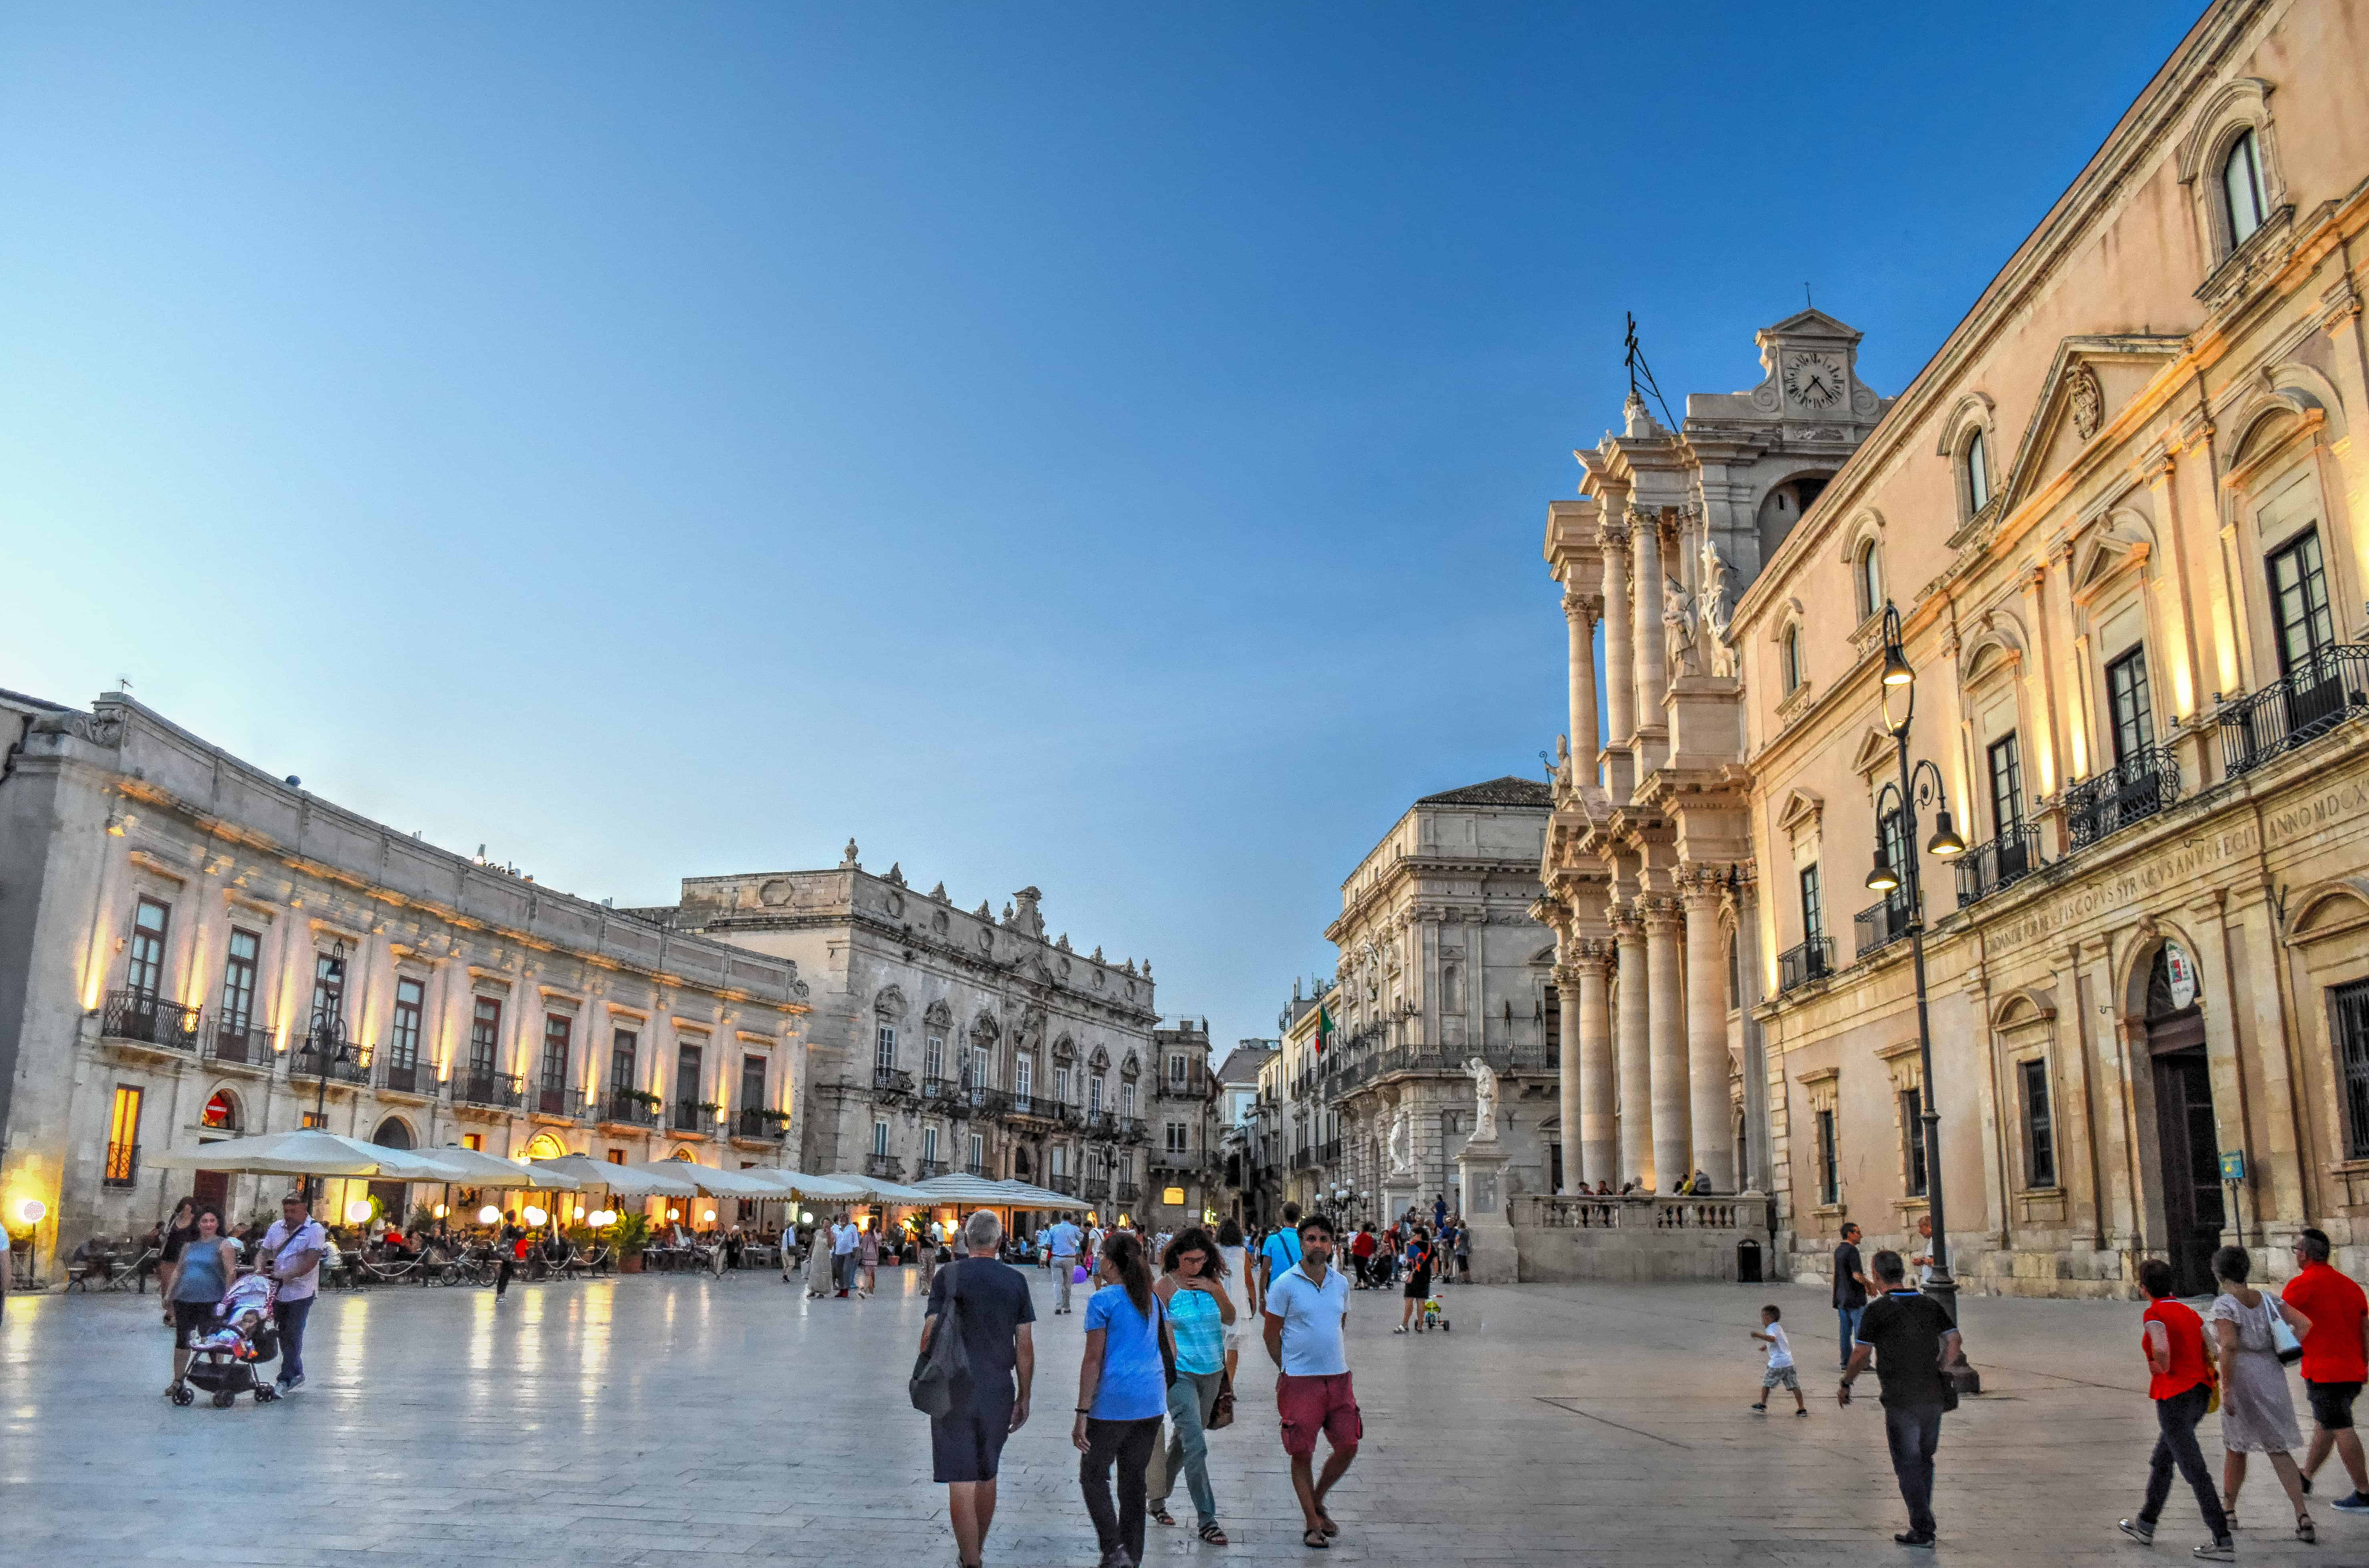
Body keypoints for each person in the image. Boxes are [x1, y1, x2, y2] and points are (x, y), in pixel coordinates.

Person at [921, 1210, 1035, 1568]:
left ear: (965, 1241)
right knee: (987, 1474)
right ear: (1000, 1242)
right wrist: (1025, 1395)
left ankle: (971, 1561)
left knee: (961, 1481)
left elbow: (929, 1335)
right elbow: (1025, 1347)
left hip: (952, 1389)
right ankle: (976, 1550)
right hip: (997, 1390)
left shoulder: (947, 1277)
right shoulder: (1016, 1281)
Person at [1840, 1249, 1961, 1548]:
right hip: (1933, 1395)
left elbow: (1861, 1353)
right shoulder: (1928, 1304)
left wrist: (1847, 1382)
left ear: (1876, 1275)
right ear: (1903, 1272)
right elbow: (1954, 1339)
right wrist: (1943, 1367)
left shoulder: (1877, 1311)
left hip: (1900, 1397)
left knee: (1907, 1462)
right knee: (1924, 1460)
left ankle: (1923, 1529)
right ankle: (1922, 1520)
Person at [2117, 1256, 2233, 1560]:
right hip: (2199, 1394)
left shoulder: (2155, 1315)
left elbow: (2162, 1351)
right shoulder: (2189, 1313)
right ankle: (2146, 1523)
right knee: (2162, 1459)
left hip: (2174, 1397)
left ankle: (2222, 1538)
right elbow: (2215, 1350)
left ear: (2144, 1289)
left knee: (2194, 1468)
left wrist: (2158, 1365)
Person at [1075, 1231, 1171, 1568]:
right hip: (1151, 1401)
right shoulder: (1151, 1299)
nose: (1098, 1260)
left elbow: (1093, 1360)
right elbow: (1167, 1349)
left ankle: (1113, 1548)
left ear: (1112, 1263)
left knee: (1093, 1474)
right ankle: (1132, 1556)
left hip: (1113, 1401)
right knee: (1134, 1481)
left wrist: (1082, 1412)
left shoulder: (1102, 1301)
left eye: (1102, 1255)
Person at [2209, 1244, 2315, 1542]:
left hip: (2242, 1377)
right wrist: (2281, 1349)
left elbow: (2228, 1346)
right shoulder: (2268, 1300)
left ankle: (2229, 1509)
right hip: (2271, 1374)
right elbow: (2305, 1324)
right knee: (2278, 1448)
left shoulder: (2225, 1306)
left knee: (2236, 1446)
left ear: (2219, 1273)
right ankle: (2302, 1513)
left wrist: (2227, 1389)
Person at [1265, 1213, 1358, 1548]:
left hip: (1338, 1378)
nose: (1317, 1245)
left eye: (1323, 1239)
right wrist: (1286, 1367)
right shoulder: (1285, 1285)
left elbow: (1339, 1324)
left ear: (1332, 1244)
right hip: (1300, 1381)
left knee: (1349, 1445)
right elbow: (1271, 1334)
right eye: (1311, 1239)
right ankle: (1311, 1523)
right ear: (1301, 1243)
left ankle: (1318, 1500)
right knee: (1302, 1451)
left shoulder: (1341, 1283)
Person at [1147, 1228, 1234, 1543]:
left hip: (1212, 1371)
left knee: (1185, 1444)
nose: (1195, 1266)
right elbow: (1154, 1332)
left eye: (1201, 1260)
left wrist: (1216, 1290)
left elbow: (1230, 1317)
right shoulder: (1164, 1288)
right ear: (1176, 1258)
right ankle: (1208, 1520)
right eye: (1189, 1260)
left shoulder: (1213, 1283)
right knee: (1197, 1445)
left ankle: (1156, 1499)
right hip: (1179, 1374)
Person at [2282, 1228, 2369, 1512]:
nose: (2295, 1254)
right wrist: (2364, 1363)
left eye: (2296, 1249)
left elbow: (2280, 1324)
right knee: (2327, 1422)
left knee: (2340, 1425)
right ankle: (2305, 1476)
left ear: (2305, 1255)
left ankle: (2364, 1492)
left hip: (2325, 1371)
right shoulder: (2350, 1286)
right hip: (2352, 1369)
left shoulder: (2301, 1286)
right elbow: (2365, 1329)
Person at [164, 1205, 237, 1401]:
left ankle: (218, 1379)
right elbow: (179, 1271)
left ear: (218, 1224)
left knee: (212, 1339)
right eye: (205, 1221)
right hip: (185, 1298)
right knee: (183, 1339)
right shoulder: (189, 1246)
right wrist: (169, 1295)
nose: (208, 1225)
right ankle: (178, 1380)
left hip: (212, 1299)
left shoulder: (224, 1245)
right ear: (198, 1224)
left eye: (212, 1221)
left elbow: (231, 1272)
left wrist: (226, 1299)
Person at [257, 1191, 328, 1395]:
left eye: (293, 1210)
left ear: (304, 1209)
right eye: (286, 1210)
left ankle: (285, 1378)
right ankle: (297, 1372)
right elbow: (266, 1252)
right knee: (282, 1333)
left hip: (302, 1292)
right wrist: (262, 1268)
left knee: (293, 1333)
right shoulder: (276, 1228)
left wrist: (285, 1275)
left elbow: (310, 1261)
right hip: (277, 1292)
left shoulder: (315, 1230)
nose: (288, 1215)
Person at [1749, 1303, 1804, 1416]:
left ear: (1768, 1318)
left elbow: (1773, 1339)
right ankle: (1802, 1408)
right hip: (1789, 1363)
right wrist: (1766, 1346)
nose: (1762, 1321)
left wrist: (1758, 1336)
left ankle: (1763, 1404)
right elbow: (1779, 1341)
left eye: (1763, 1317)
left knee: (1766, 1383)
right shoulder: (1778, 1327)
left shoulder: (1771, 1328)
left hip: (1777, 1364)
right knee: (1794, 1386)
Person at [1214, 1217, 1249, 1381]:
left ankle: (1218, 1382)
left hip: (1217, 1301)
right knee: (1233, 1347)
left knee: (1218, 1344)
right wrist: (1254, 1301)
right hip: (1238, 1302)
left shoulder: (1213, 1252)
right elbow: (1249, 1280)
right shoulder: (1243, 1253)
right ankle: (1230, 1384)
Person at [1832, 1222, 1872, 1370]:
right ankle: (1862, 1363)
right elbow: (1856, 1275)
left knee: (1845, 1333)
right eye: (1858, 1232)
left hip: (1842, 1298)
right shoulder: (1852, 1251)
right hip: (1855, 1298)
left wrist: (1835, 1295)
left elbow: (1837, 1275)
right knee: (1861, 1332)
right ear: (1850, 1234)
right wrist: (1869, 1284)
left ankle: (1846, 1363)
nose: (1861, 1235)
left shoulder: (1839, 1250)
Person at [156, 1196, 197, 1329]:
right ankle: (170, 1311)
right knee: (166, 1287)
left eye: (189, 1206)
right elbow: (165, 1236)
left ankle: (176, 1315)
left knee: (178, 1288)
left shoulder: (195, 1223)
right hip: (168, 1257)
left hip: (184, 1260)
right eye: (185, 1206)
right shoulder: (174, 1220)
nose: (187, 1209)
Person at [1395, 1227, 1433, 1334]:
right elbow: (1433, 1260)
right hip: (1425, 1275)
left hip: (1413, 1274)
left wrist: (1408, 1245)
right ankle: (1420, 1326)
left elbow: (1408, 1257)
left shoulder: (1412, 1245)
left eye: (1415, 1234)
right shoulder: (1429, 1245)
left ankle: (1405, 1324)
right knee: (1421, 1301)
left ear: (1419, 1235)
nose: (1413, 1236)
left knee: (1409, 1299)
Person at [1046, 1213, 1084, 1315]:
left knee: (1057, 1283)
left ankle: (1058, 1306)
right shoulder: (1074, 1228)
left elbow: (1048, 1244)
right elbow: (1081, 1238)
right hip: (1070, 1259)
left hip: (1056, 1258)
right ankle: (1067, 1307)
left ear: (1062, 1218)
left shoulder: (1054, 1228)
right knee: (1068, 1284)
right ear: (1071, 1219)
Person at [831, 1212, 859, 1298]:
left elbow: (856, 1240)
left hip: (849, 1252)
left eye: (844, 1218)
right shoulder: (836, 1228)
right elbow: (833, 1239)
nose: (842, 1219)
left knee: (846, 1271)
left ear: (847, 1219)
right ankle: (841, 1290)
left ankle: (846, 1290)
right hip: (838, 1253)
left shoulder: (852, 1228)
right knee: (839, 1272)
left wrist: (855, 1250)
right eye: (840, 1218)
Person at [1348, 1224, 1376, 1289]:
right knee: (1363, 1270)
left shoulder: (1361, 1236)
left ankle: (1360, 1283)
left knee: (1359, 1270)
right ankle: (1366, 1283)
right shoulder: (1370, 1237)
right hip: (1365, 1256)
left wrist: (1353, 1244)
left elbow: (1356, 1244)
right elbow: (1372, 1248)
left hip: (1358, 1255)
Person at [858, 1218, 880, 1297]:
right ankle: (870, 1290)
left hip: (869, 1255)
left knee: (868, 1274)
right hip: (871, 1255)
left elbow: (865, 1244)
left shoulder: (872, 1233)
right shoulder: (872, 1233)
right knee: (869, 1274)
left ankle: (868, 1291)